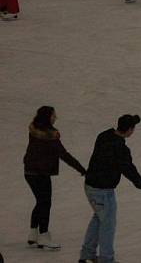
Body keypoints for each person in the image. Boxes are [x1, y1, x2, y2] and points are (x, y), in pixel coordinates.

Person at [79, 115, 141, 263]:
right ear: (130, 130)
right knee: (108, 225)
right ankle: (106, 259)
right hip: (102, 191)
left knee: (99, 219)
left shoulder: (104, 135)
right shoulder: (120, 148)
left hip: (90, 185)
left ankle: (87, 255)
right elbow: (129, 170)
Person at [23, 106, 86, 251]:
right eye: (53, 115)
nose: (56, 117)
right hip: (41, 173)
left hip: (29, 172)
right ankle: (43, 236)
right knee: (45, 203)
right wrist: (81, 169)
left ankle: (33, 233)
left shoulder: (33, 130)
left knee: (40, 201)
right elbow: (63, 154)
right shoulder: (50, 136)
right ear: (48, 117)